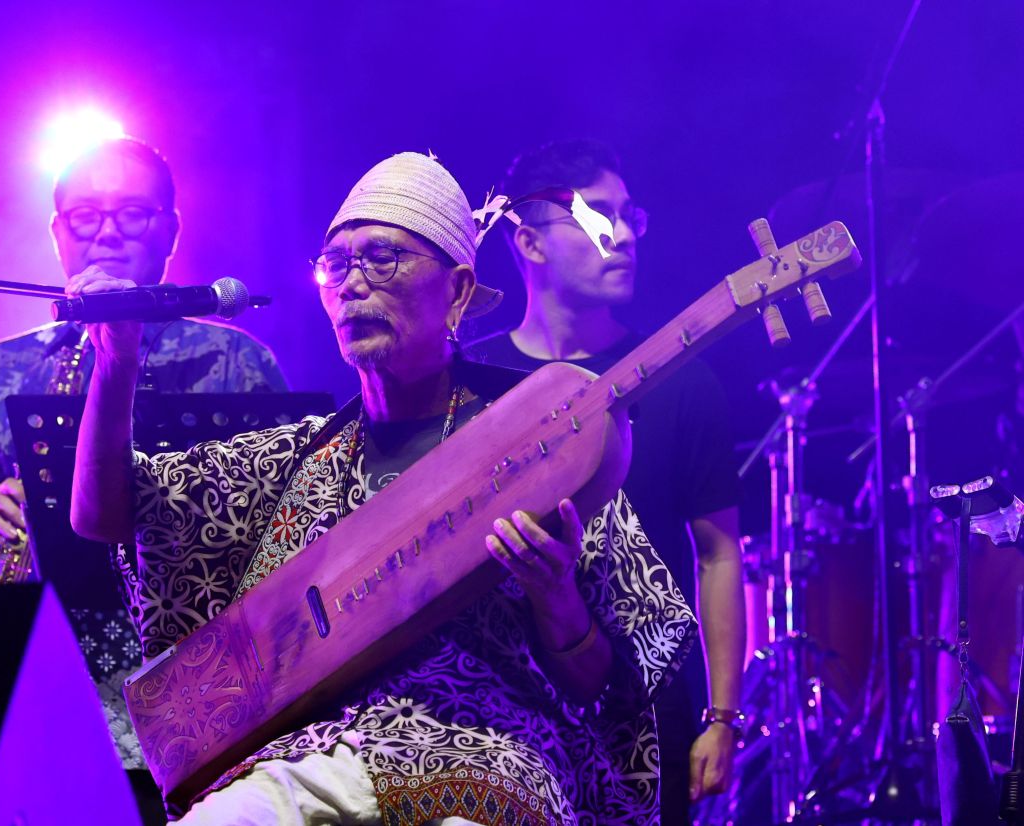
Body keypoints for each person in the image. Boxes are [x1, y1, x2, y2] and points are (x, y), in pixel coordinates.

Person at [71, 151, 697, 824]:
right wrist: (117, 359)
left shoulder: (541, 452)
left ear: (457, 291)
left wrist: (558, 598)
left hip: (490, 758)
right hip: (312, 755)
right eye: (335, 265)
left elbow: (607, 691)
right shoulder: (294, 461)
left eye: (381, 259)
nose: (353, 284)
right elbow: (106, 513)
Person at [0, 136, 288, 819]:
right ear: (58, 234)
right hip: (29, 676)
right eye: (85, 215)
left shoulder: (234, 360)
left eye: (132, 214)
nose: (107, 231)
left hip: (188, 683)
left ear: (169, 232)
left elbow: (282, 540)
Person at [467, 139, 745, 822]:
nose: (622, 236)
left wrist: (723, 715)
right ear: (529, 243)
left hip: (653, 703)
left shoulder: (687, 379)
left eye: (629, 217)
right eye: (597, 216)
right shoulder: (467, 383)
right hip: (502, 710)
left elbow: (719, 553)